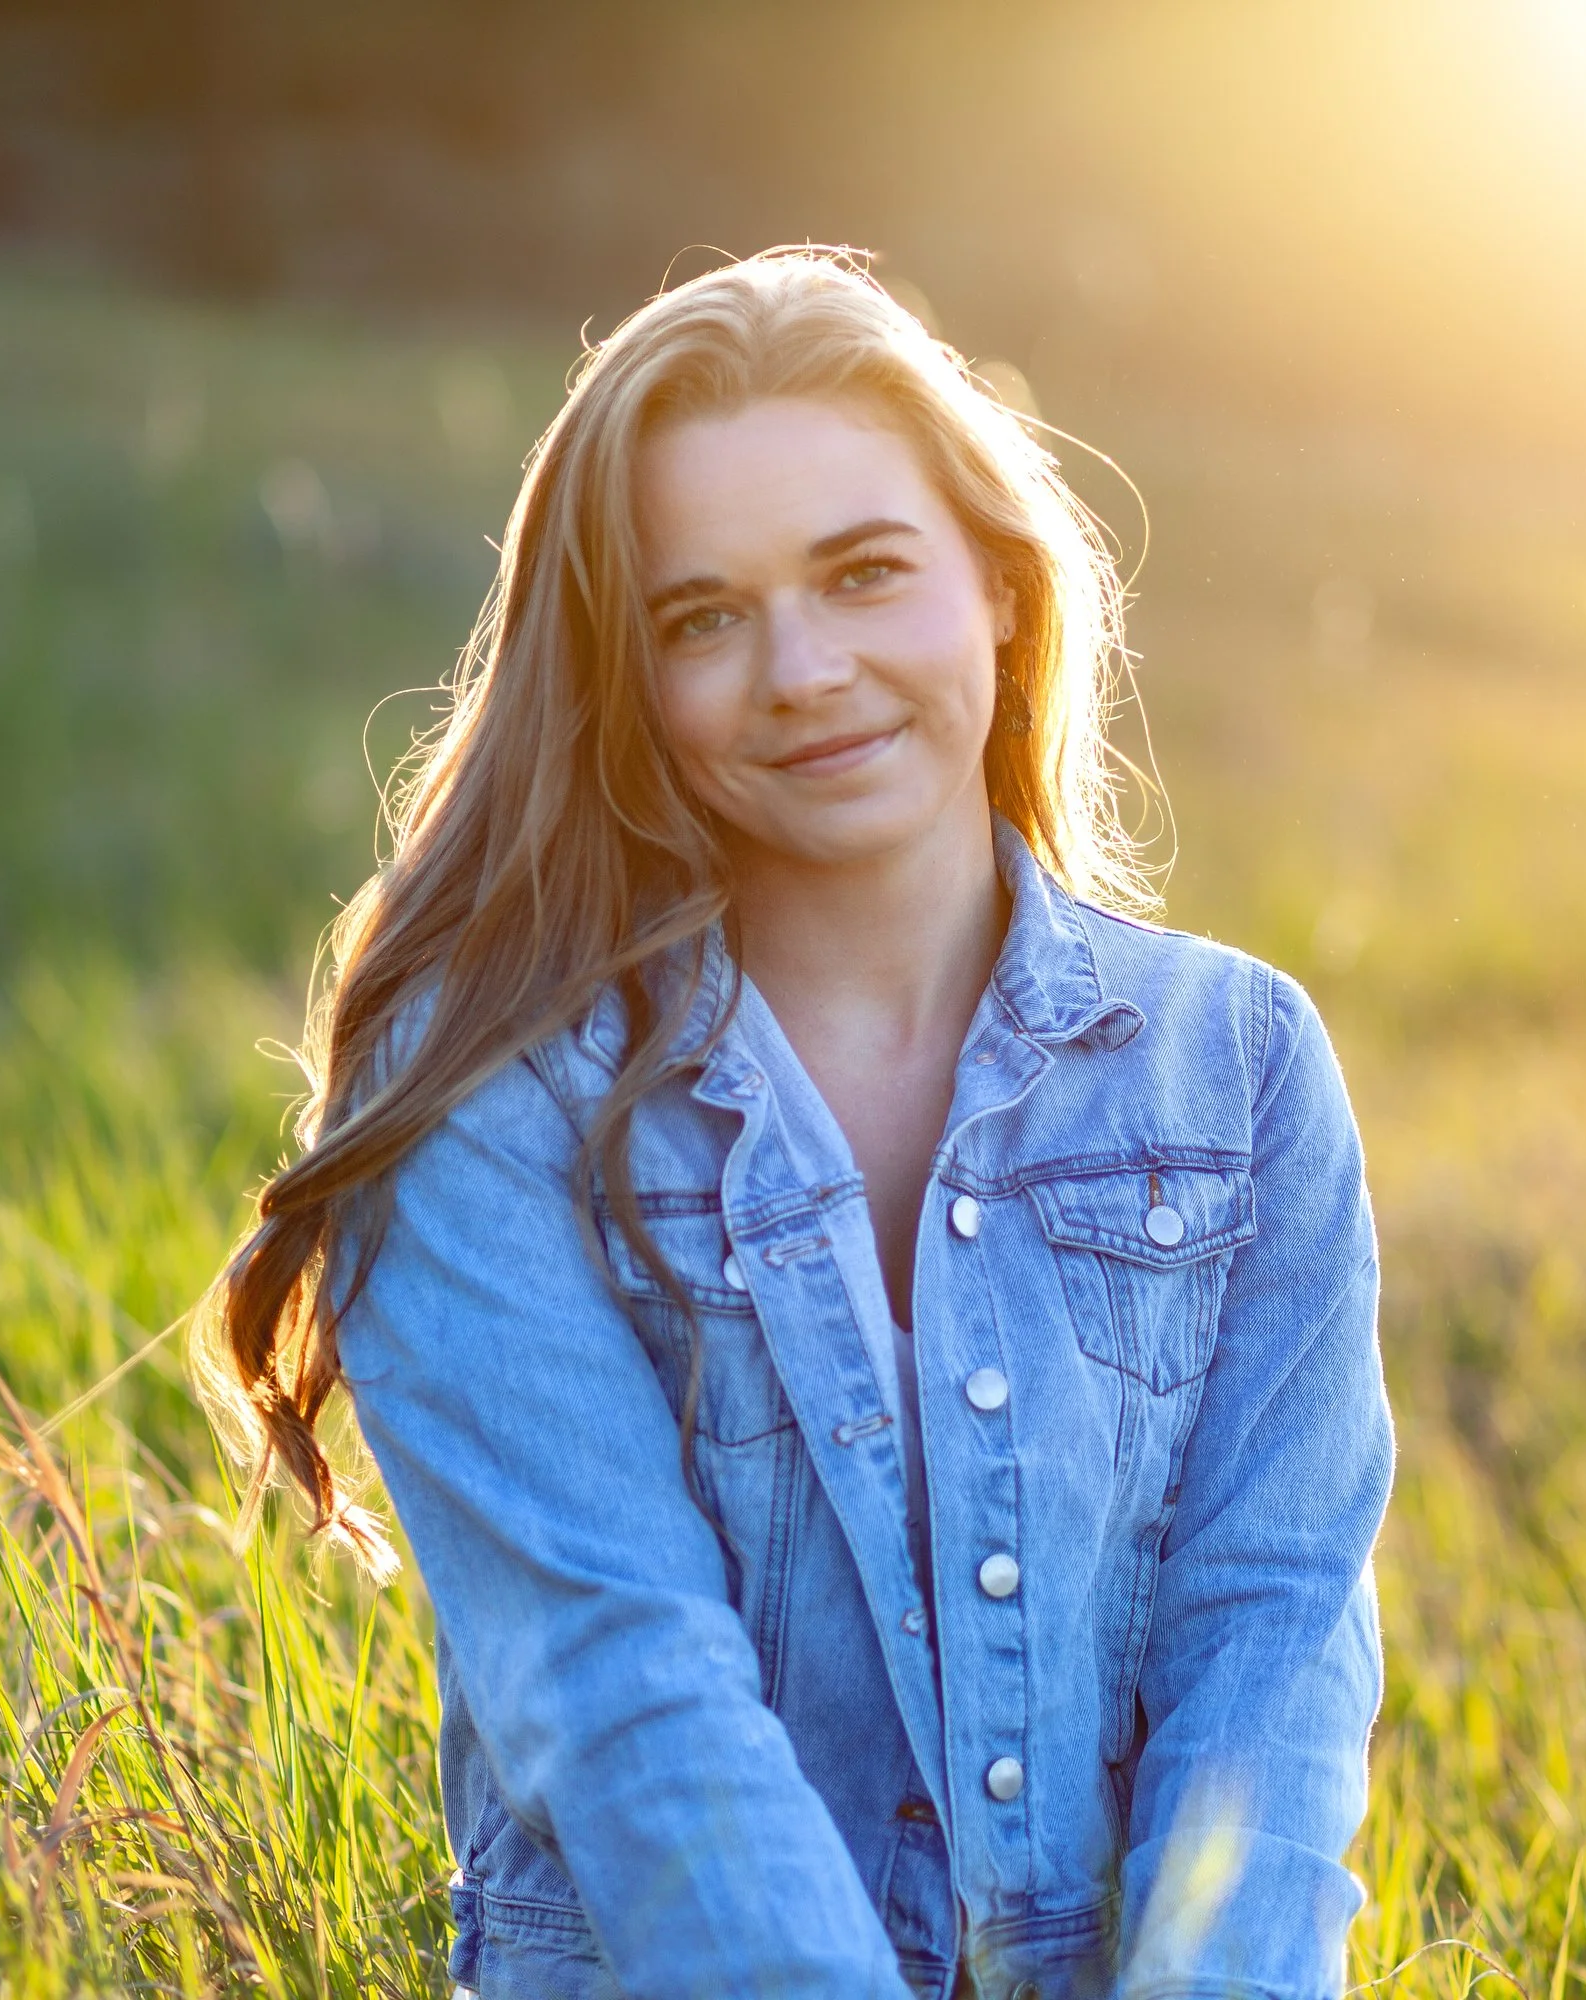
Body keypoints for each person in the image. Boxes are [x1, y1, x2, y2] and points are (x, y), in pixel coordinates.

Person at [197, 249, 1393, 2000]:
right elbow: (621, 1689)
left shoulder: (1241, 1068)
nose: (802, 670)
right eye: (704, 618)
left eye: (864, 574)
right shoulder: (481, 1098)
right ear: (627, 680)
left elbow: (1273, 1644)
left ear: (994, 584)